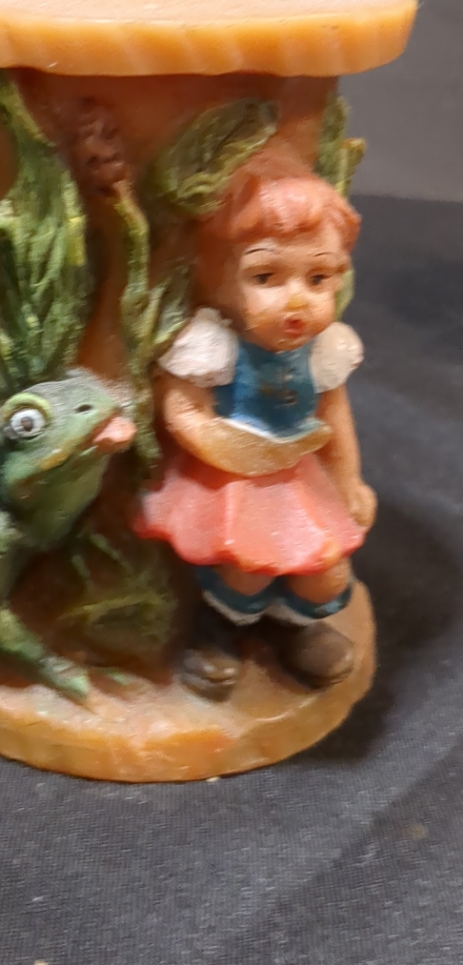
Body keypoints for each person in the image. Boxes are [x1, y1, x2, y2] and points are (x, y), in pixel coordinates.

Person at [134, 150, 377, 694]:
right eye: (266, 276)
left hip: (296, 478)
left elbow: (333, 415)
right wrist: (215, 440)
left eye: (318, 278)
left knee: (326, 569)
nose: (297, 300)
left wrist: (348, 480)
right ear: (218, 278)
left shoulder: (325, 351)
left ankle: (295, 627)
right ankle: (219, 631)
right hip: (232, 482)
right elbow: (183, 411)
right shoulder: (213, 347)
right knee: (245, 566)